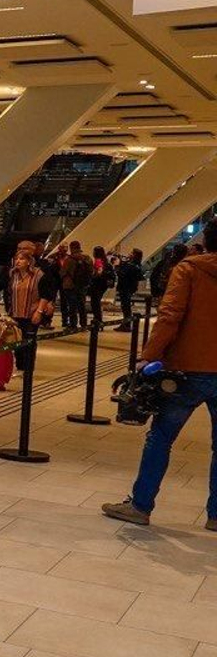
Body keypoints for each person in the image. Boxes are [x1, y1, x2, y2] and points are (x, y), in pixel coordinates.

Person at [103, 219, 217, 532]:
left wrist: (148, 356)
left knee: (161, 437)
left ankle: (140, 505)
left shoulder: (189, 269)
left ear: (205, 242)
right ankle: (216, 514)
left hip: (186, 370)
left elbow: (169, 317)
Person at [3, 248, 50, 373]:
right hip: (15, 314)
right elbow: (7, 293)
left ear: (29, 261)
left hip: (31, 313)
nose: (18, 261)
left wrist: (39, 312)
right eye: (16, 258)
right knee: (17, 341)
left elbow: (45, 295)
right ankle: (20, 367)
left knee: (29, 342)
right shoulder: (12, 274)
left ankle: (28, 369)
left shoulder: (38, 274)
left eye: (22, 259)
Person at [59, 240, 93, 330]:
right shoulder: (87, 258)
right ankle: (84, 324)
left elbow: (62, 273)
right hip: (83, 286)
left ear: (71, 248)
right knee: (82, 305)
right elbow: (91, 271)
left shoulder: (69, 259)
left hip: (70, 286)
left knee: (72, 306)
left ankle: (73, 324)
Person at [150, 243, 187, 311]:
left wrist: (156, 293)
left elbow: (157, 277)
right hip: (179, 295)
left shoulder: (167, 264)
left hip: (167, 292)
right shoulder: (187, 265)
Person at [115, 248, 145, 331]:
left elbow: (122, 274)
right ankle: (126, 324)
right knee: (126, 306)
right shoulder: (137, 265)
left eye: (131, 253)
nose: (129, 253)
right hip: (130, 287)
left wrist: (117, 266)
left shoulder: (131, 265)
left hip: (125, 287)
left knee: (126, 307)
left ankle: (126, 325)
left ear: (134, 255)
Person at [87, 244, 114, 327]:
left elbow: (99, 272)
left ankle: (98, 320)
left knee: (95, 303)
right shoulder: (106, 262)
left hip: (97, 285)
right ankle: (98, 319)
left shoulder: (98, 261)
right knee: (96, 302)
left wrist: (92, 276)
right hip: (103, 285)